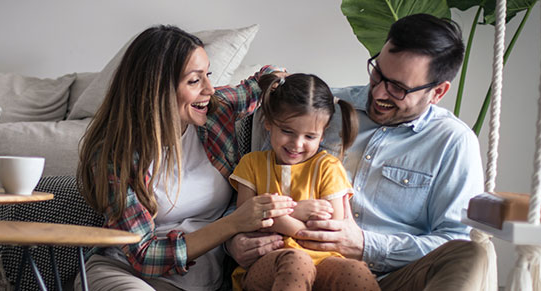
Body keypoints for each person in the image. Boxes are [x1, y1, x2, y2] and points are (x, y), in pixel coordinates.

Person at [228, 13, 488, 290]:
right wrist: (234, 242)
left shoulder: (453, 142)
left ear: (437, 92)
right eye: (378, 74)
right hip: (291, 263)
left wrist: (366, 246)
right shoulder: (322, 110)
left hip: (391, 278)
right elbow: (256, 190)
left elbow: (453, 238)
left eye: (398, 89)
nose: (378, 94)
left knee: (469, 253)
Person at [76, 25, 295, 291]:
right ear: (157, 89)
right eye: (194, 80)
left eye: (208, 75)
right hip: (126, 273)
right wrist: (235, 222)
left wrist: (278, 80)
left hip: (199, 282)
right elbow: (143, 254)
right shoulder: (114, 155)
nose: (209, 89)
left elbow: (262, 80)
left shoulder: (215, 113)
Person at [229, 73, 379, 291]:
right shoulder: (252, 164)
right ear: (269, 123)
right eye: (287, 131)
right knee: (296, 261)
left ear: (323, 134)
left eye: (309, 136)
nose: (297, 144)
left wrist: (277, 216)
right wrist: (298, 211)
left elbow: (331, 229)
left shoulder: (327, 167)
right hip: (269, 262)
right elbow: (245, 218)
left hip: (324, 260)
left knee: (355, 271)